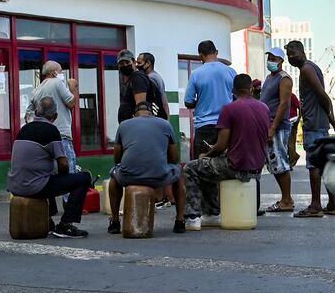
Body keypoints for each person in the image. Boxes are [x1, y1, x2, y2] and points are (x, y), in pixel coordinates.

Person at [182, 74, 269, 229]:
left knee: (192, 167)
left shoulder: (229, 109)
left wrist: (205, 155)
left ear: (233, 90)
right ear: (250, 89)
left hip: (236, 167)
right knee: (207, 167)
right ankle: (212, 213)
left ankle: (193, 217)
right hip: (256, 168)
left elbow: (221, 146)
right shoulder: (264, 108)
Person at [9, 96, 90, 238]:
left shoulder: (24, 129)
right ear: (55, 116)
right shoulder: (51, 130)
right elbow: (63, 163)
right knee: (83, 179)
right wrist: (65, 176)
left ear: (37, 113)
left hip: (15, 186)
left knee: (47, 176)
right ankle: (65, 225)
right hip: (34, 187)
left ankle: (48, 220)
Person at [106, 104, 185, 234]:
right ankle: (180, 221)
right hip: (159, 176)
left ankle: (114, 222)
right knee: (180, 172)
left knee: (114, 178)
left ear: (134, 115)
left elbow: (117, 159)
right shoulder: (165, 124)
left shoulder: (124, 125)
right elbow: (174, 158)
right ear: (152, 114)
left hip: (129, 176)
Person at [286, 41, 335, 218]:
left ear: (302, 52)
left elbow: (323, 97)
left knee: (314, 165)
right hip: (318, 123)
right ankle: (332, 204)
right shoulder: (311, 68)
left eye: (293, 54)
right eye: (288, 55)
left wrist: (332, 120)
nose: (291, 58)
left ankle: (316, 205)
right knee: (324, 165)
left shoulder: (306, 70)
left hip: (315, 125)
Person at [260, 47, 296, 213]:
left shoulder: (284, 79)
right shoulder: (269, 78)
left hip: (278, 126)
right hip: (269, 124)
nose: (271, 61)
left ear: (281, 61)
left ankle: (287, 200)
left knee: (280, 163)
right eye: (270, 58)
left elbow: (283, 104)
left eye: (274, 58)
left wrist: (273, 127)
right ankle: (285, 198)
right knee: (274, 164)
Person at [27, 61, 79, 172]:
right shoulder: (57, 82)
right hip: (62, 137)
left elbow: (28, 116)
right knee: (68, 175)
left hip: (44, 140)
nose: (62, 74)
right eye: (61, 71)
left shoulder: (36, 90)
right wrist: (73, 88)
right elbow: (71, 103)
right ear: (54, 72)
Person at [117, 49, 166, 122]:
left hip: (139, 126)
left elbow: (141, 108)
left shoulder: (137, 78)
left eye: (127, 62)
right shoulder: (132, 79)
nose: (124, 65)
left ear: (134, 62)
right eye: (121, 64)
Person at [137, 52, 171, 117]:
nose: (137, 66)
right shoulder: (157, 76)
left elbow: (163, 102)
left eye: (139, 63)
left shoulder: (151, 78)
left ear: (148, 63)